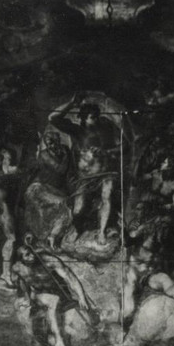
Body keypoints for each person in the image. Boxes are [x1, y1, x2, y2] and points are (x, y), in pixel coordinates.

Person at [47, 94, 120, 241]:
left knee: (107, 197)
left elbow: (123, 146)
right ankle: (78, 229)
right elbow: (52, 118)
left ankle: (101, 232)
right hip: (85, 177)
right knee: (78, 210)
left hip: (106, 173)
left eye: (96, 116)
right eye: (92, 117)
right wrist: (71, 104)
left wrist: (106, 151)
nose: (96, 120)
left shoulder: (106, 130)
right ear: (83, 118)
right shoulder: (76, 131)